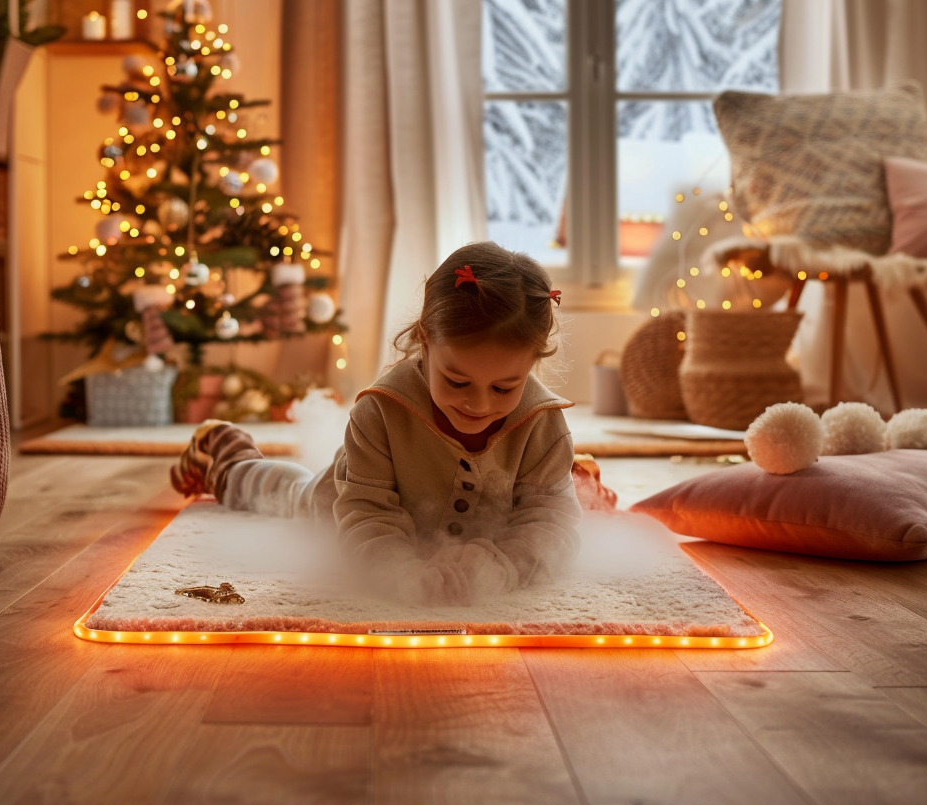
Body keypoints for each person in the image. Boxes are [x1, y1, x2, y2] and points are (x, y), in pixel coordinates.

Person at [172, 241, 608, 606]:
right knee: (293, 496)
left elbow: (552, 527)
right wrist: (400, 573)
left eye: (503, 388)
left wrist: (501, 564)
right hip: (344, 502)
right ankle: (228, 456)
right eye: (457, 381)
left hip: (477, 524)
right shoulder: (379, 411)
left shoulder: (545, 426)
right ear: (424, 342)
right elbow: (366, 516)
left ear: (533, 365)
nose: (478, 404)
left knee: (565, 499)